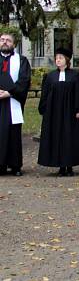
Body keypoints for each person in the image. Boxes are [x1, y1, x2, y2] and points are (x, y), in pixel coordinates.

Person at [37, 48, 79, 175]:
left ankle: (69, 166)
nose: (58, 60)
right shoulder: (50, 76)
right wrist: (43, 108)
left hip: (70, 112)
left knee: (69, 137)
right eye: (56, 58)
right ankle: (60, 166)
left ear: (67, 60)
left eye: (61, 58)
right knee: (56, 136)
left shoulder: (76, 76)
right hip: (53, 112)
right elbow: (45, 94)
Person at [0, 32, 31, 176]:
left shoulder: (22, 60)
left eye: (8, 40)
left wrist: (10, 93)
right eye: (2, 40)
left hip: (13, 100)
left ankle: (15, 165)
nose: (5, 42)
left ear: (14, 44)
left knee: (13, 133)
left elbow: (24, 80)